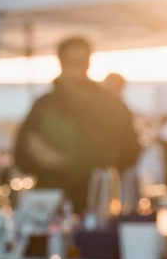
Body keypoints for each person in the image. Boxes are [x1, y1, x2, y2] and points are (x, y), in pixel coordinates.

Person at [13, 36, 140, 210]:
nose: (78, 69)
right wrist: (36, 155)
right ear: (61, 62)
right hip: (53, 201)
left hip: (97, 201)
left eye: (81, 62)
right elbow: (21, 154)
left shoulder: (110, 104)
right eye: (72, 62)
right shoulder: (44, 105)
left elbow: (130, 151)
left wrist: (67, 161)